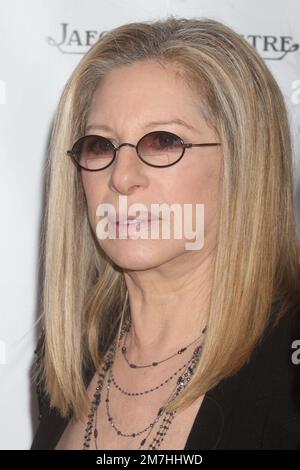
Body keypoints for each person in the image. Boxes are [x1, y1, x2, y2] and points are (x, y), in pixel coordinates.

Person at [31, 16, 300, 450]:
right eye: (100, 145)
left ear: (246, 162)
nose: (121, 177)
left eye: (162, 141)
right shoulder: (69, 355)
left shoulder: (286, 367)